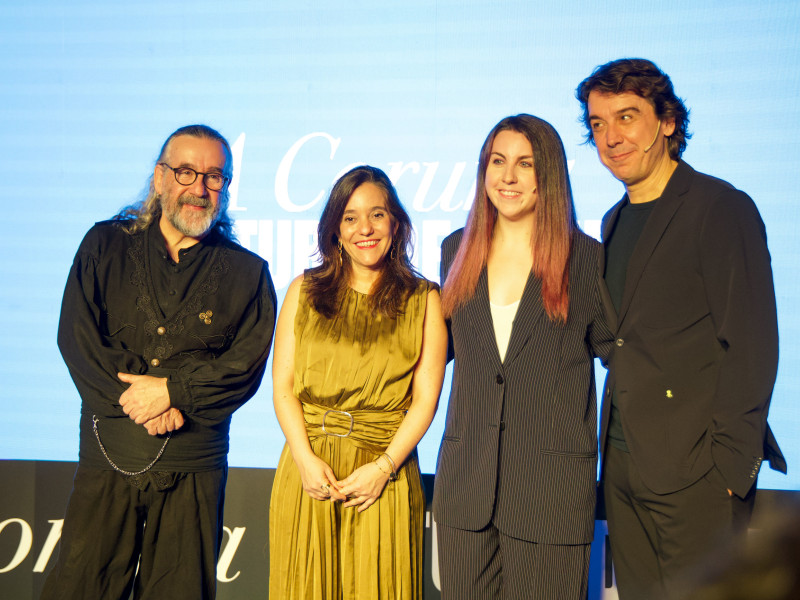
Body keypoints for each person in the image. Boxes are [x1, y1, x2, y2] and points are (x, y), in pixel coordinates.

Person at [575, 58, 786, 599]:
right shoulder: (614, 220)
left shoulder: (720, 208)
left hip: (699, 479)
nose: (611, 137)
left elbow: (753, 345)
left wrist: (730, 474)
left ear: (666, 121)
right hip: (623, 468)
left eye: (627, 117)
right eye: (598, 124)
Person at [42, 124, 277, 600]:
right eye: (186, 171)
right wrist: (142, 399)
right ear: (159, 177)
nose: (199, 188)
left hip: (195, 473)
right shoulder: (103, 246)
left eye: (215, 177)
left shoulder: (250, 274)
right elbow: (77, 338)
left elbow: (245, 369)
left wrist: (173, 392)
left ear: (226, 187)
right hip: (110, 462)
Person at [433, 114, 613, 599]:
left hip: (550, 496)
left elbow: (622, 359)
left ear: (548, 175)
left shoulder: (587, 260)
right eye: (498, 161)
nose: (507, 177)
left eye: (525, 164)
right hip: (466, 493)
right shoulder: (454, 252)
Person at [268, 165, 447, 599]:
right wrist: (305, 460)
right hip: (309, 471)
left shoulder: (425, 299)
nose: (365, 228)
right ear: (335, 230)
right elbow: (284, 389)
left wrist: (383, 469)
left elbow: (425, 400)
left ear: (396, 224)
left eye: (377, 215)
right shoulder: (303, 290)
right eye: (350, 217)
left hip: (383, 473)